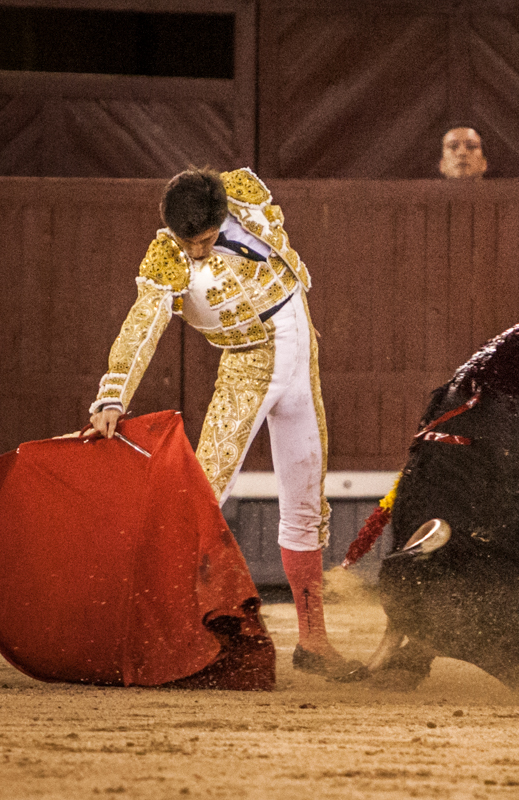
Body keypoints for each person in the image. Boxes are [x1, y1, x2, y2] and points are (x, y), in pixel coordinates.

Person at [89, 167, 358, 678]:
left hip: (304, 359)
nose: (195, 253)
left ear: (222, 217)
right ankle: (164, 637)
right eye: (186, 243)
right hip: (247, 367)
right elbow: (143, 323)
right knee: (202, 499)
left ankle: (314, 642)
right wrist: (111, 397)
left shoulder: (244, 191)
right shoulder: (167, 255)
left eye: (206, 240)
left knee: (305, 504)